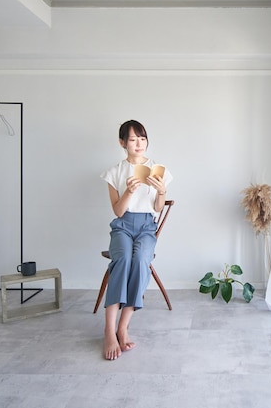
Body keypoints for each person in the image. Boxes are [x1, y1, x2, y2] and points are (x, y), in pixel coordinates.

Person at [100, 119, 173, 360]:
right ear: (122, 143)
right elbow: (118, 212)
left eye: (142, 138)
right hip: (123, 226)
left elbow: (158, 207)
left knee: (141, 260)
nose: (139, 143)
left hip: (146, 228)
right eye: (133, 139)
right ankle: (109, 331)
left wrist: (161, 190)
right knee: (121, 261)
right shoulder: (114, 172)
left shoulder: (157, 169)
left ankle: (124, 326)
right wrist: (129, 191)